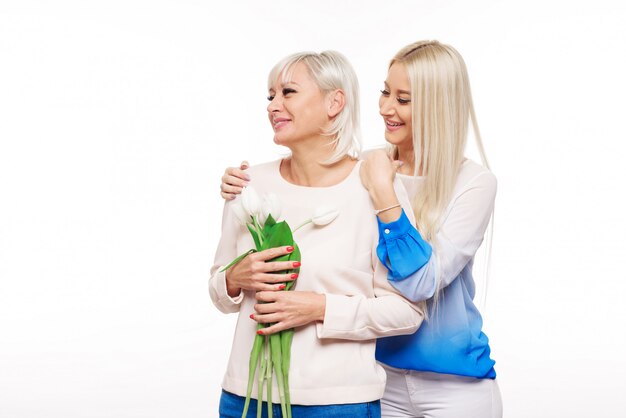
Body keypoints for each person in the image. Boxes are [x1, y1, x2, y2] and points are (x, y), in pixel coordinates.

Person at [219, 41, 502, 418]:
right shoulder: (364, 169)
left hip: (453, 382)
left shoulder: (469, 182)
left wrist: (385, 193)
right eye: (385, 92)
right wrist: (243, 190)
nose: (386, 108)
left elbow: (421, 284)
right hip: (378, 375)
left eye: (403, 99)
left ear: (437, 105)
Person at [210, 50, 425, 418]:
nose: (273, 105)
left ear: (334, 102)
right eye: (270, 96)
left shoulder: (374, 187)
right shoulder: (249, 185)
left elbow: (406, 311)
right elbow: (219, 292)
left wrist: (319, 308)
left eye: (288, 92)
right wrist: (233, 277)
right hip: (245, 398)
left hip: (337, 404)